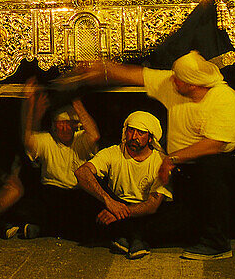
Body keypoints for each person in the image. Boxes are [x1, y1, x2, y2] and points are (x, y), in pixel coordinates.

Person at [79, 50, 235, 260]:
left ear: (193, 84)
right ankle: (131, 235)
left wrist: (171, 159)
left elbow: (213, 145)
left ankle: (217, 244)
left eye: (178, 80)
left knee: (211, 166)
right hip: (183, 170)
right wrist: (100, 67)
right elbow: (137, 74)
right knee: (162, 222)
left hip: (217, 166)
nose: (172, 81)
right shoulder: (175, 85)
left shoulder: (224, 98)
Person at [74, 111, 173, 258]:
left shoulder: (160, 161)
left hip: (143, 213)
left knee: (170, 217)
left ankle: (127, 237)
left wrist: (119, 213)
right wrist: (110, 202)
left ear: (150, 138)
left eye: (140, 133)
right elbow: (82, 173)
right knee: (85, 197)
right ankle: (136, 240)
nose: (134, 137)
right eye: (130, 131)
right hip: (116, 204)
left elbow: (152, 205)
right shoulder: (113, 153)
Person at [18, 82, 99, 239]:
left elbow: (94, 135)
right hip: (52, 192)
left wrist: (75, 100)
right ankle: (45, 228)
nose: (64, 128)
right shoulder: (47, 140)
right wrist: (29, 103)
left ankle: (46, 229)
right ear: (54, 127)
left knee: (86, 215)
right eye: (61, 124)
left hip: (76, 193)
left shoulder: (80, 140)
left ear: (76, 126)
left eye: (69, 124)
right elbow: (28, 139)